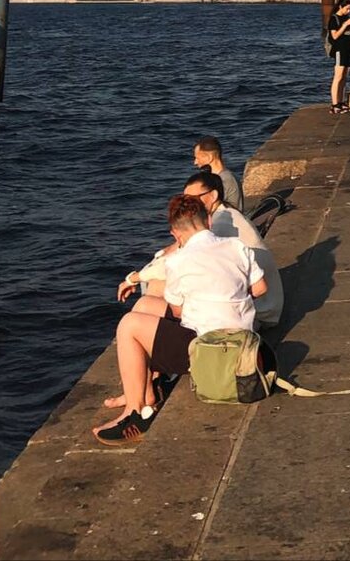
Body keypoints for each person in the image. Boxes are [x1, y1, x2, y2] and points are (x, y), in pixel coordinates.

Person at [93, 193, 267, 446]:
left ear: (176, 234)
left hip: (209, 349)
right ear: (208, 220)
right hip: (244, 341)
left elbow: (177, 313)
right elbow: (261, 288)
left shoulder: (178, 260)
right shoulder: (236, 246)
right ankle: (146, 388)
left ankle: (134, 412)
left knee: (129, 325)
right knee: (144, 305)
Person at [115, 172, 283, 329]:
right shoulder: (224, 215)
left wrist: (133, 279)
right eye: (186, 198)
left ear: (213, 196)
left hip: (259, 312)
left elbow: (171, 265)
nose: (190, 203)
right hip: (261, 304)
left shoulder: (222, 224)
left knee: (157, 288)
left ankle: (160, 342)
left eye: (194, 198)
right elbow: (175, 252)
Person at [193, 136, 245, 214]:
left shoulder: (225, 180)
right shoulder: (220, 177)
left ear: (209, 157)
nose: (195, 162)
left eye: (197, 158)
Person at [327, 0, 350, 114]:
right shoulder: (334, 19)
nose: (348, 11)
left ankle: (341, 100)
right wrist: (344, 26)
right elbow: (334, 36)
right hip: (339, 49)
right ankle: (334, 103)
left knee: (344, 77)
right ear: (341, 7)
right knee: (338, 77)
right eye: (347, 8)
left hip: (348, 49)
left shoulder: (346, 17)